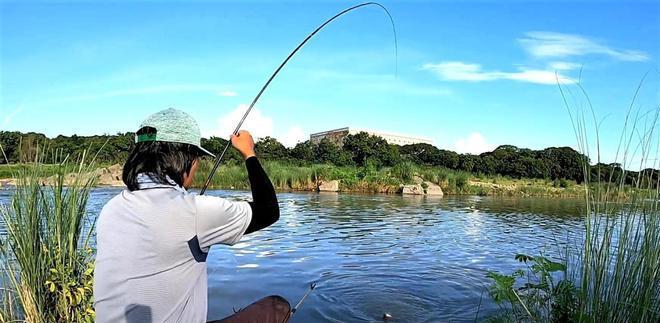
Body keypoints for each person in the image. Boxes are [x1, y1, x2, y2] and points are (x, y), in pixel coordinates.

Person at [94, 108, 290, 323]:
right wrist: (249, 154)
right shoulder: (195, 211)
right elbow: (269, 211)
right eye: (197, 158)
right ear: (184, 158)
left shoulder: (111, 209)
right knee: (277, 308)